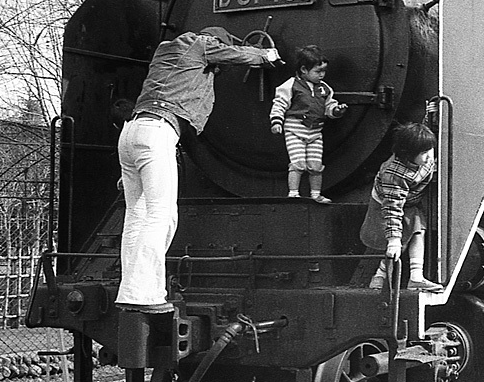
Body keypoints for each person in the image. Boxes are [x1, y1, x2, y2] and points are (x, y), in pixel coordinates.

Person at [117, 27, 280, 312]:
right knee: (161, 215)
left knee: (136, 217)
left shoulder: (165, 50)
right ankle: (146, 294)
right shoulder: (200, 44)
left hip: (131, 132)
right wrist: (265, 55)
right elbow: (235, 54)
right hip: (158, 131)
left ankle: (130, 291)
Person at [360, 122, 442, 292]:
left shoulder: (423, 155)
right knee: (400, 240)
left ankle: (416, 277)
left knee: (418, 230)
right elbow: (392, 209)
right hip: (386, 205)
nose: (429, 157)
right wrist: (393, 240)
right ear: (407, 154)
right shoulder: (393, 174)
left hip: (410, 201)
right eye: (423, 153)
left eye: (430, 150)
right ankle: (379, 275)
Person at [270, 45, 347, 204]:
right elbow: (280, 104)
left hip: (315, 132)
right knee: (298, 164)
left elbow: (328, 106)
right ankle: (293, 194)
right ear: (304, 69)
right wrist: (277, 121)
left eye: (324, 71)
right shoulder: (291, 85)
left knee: (315, 165)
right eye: (318, 71)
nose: (322, 75)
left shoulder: (325, 89)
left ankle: (316, 194)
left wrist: (336, 110)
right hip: (295, 130)